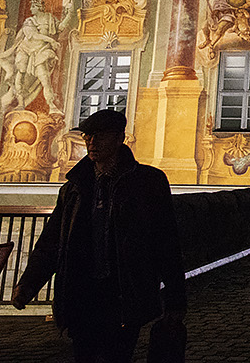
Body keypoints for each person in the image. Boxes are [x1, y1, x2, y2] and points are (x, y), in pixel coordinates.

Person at [12, 109, 185, 363]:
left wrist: (175, 300)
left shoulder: (148, 182)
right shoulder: (74, 188)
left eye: (99, 136)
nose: (91, 142)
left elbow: (166, 242)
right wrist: (28, 284)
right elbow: (52, 243)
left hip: (122, 291)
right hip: (82, 292)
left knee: (116, 356)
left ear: (119, 139)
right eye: (88, 136)